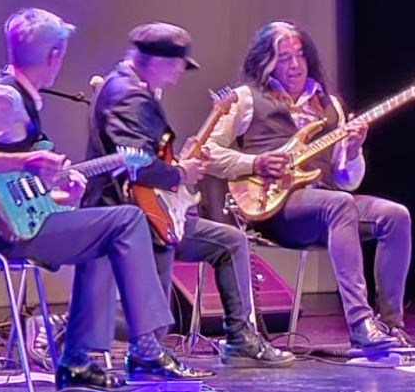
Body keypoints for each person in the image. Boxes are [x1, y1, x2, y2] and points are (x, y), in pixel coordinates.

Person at [0, 7, 209, 388]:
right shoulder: (3, 98)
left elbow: (7, 181)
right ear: (54, 56)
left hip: (9, 223)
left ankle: (79, 358)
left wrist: (54, 191)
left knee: (105, 229)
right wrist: (27, 159)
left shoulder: (22, 100)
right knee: (125, 218)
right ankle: (144, 348)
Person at [87, 23, 294, 368]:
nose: (177, 76)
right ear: (158, 61)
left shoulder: (138, 91)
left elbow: (151, 158)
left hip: (156, 211)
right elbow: (135, 163)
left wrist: (180, 166)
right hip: (133, 214)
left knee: (230, 242)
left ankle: (241, 338)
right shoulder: (125, 93)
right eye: (177, 66)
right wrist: (181, 173)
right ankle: (63, 326)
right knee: (158, 318)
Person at [203, 21, 413, 352]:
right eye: (284, 57)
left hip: (327, 206)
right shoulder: (246, 99)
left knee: (395, 215)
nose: (295, 64)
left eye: (299, 55)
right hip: (274, 209)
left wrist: (354, 151)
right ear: (265, 62)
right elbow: (207, 151)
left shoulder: (330, 106)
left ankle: (390, 326)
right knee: (339, 204)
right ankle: (360, 323)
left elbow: (347, 180)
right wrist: (253, 163)